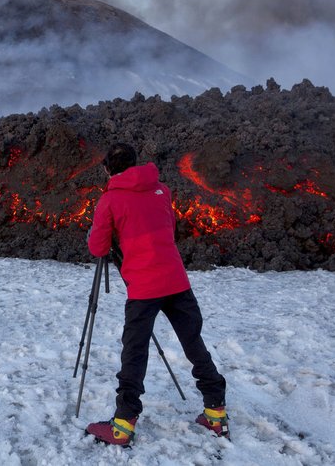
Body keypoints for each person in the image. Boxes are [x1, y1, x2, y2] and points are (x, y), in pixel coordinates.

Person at [84, 143, 228, 446]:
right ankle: (216, 413)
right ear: (136, 164)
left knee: (134, 352)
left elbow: (98, 248)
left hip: (144, 287)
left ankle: (122, 425)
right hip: (176, 279)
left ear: (109, 169)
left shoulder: (109, 200)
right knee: (194, 343)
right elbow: (168, 228)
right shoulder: (162, 190)